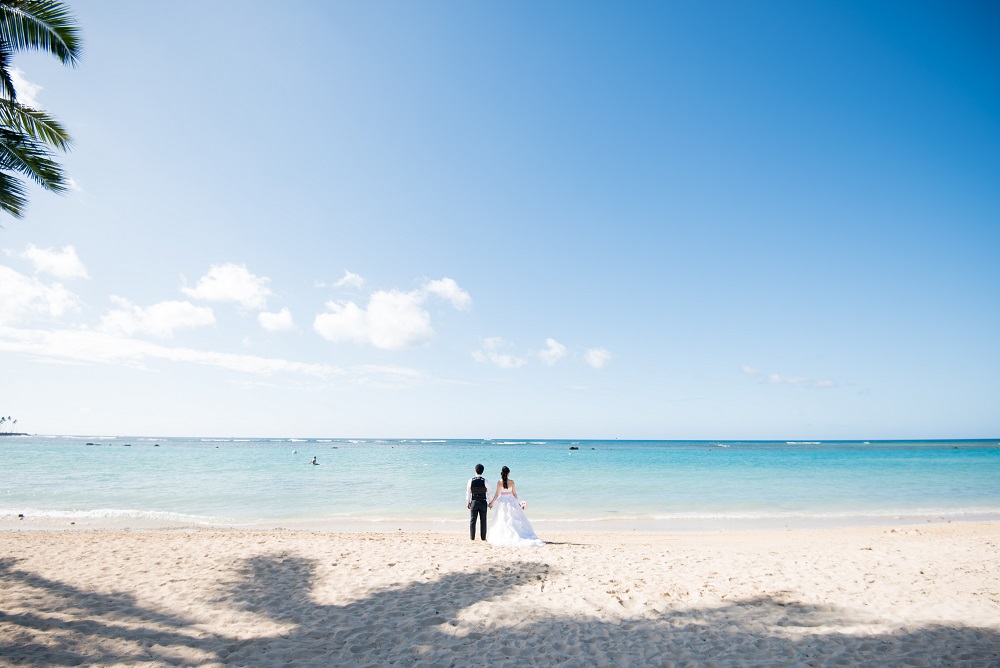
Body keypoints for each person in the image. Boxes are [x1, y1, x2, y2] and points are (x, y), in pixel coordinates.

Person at [487, 466, 544, 546]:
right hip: (511, 501)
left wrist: (491, 503)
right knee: (514, 519)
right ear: (508, 473)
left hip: (502, 502)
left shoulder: (499, 482)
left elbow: (496, 494)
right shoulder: (512, 482)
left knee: (503, 519)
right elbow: (514, 493)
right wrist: (517, 502)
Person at [466, 463, 490, 541]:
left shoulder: (470, 480)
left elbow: (468, 492)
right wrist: (490, 502)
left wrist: (468, 502)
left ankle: (472, 538)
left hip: (474, 502)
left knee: (473, 521)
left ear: (475, 470)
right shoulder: (485, 481)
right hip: (483, 502)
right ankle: (483, 538)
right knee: (483, 521)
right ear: (482, 471)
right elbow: (489, 493)